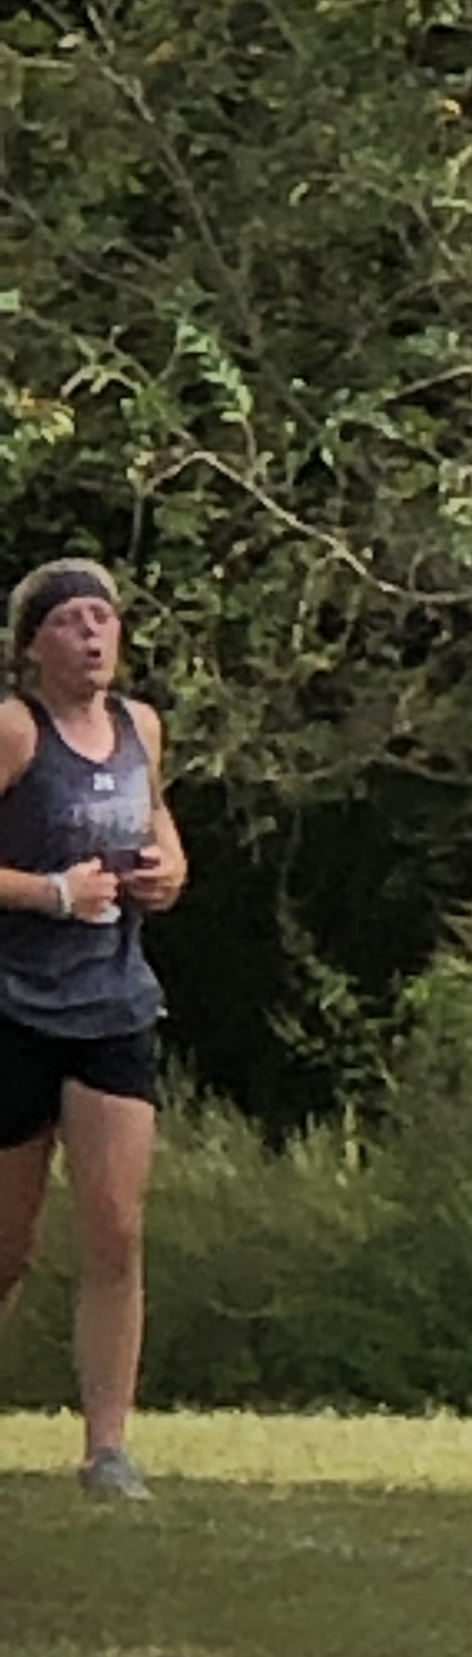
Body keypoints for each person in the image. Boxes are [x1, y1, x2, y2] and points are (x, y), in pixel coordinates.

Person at [0, 557, 188, 1499]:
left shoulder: (140, 726)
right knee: (9, 1243)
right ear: (33, 645)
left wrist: (168, 874)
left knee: (116, 1229)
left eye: (103, 619)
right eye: (71, 621)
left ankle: (107, 1450)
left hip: (114, 1003)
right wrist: (51, 893)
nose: (92, 635)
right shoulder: (13, 731)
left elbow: (159, 822)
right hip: (13, 1007)